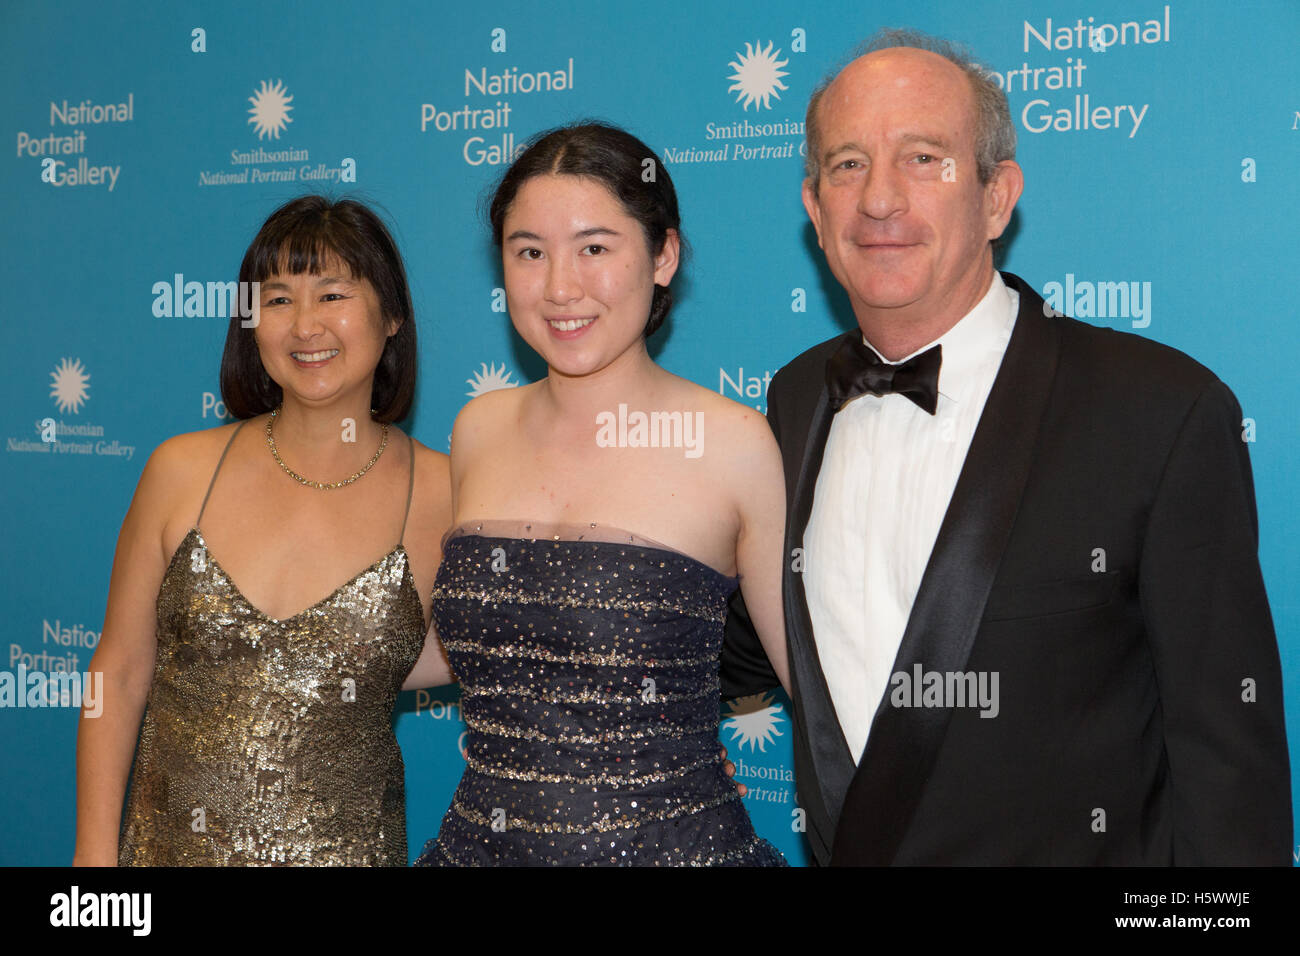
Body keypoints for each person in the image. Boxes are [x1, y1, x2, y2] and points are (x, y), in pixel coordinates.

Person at [721, 29, 1292, 865]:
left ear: (997, 196)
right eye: (847, 165)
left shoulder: (1161, 411)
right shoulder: (793, 401)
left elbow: (1227, 769)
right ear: (814, 208)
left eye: (923, 158)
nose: (879, 199)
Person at [414, 122, 789, 866]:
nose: (560, 288)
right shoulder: (478, 430)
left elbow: (817, 691)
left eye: (594, 247)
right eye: (529, 252)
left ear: (664, 256)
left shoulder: (732, 442)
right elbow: (462, 649)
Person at [74, 196, 453, 866]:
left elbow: (485, 658)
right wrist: (95, 861)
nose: (305, 325)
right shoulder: (181, 469)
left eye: (332, 293)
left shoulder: (446, 496)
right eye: (277, 300)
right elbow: (122, 669)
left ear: (391, 315)